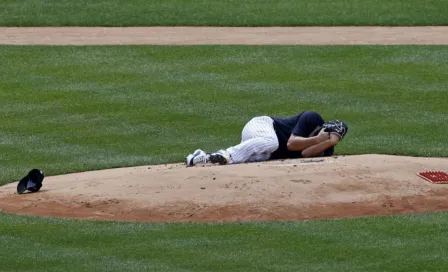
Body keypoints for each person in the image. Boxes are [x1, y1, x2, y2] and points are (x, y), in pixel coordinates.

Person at [185, 111, 348, 167]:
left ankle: (202, 156)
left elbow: (305, 154)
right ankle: (226, 154)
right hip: (262, 126)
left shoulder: (326, 146)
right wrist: (318, 138)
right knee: (273, 142)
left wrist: (328, 142)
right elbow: (292, 145)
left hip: (266, 150)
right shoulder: (312, 118)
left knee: (254, 159)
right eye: (330, 132)